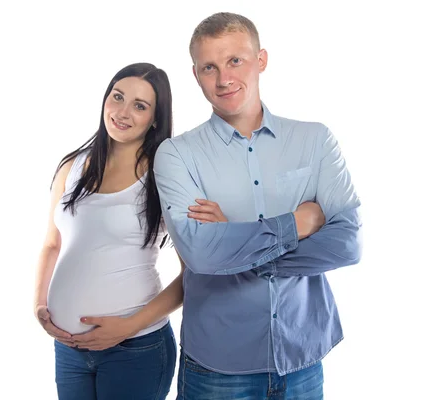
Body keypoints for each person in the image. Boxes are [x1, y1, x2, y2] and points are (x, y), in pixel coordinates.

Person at [153, 12, 363, 399]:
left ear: (261, 60)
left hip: (303, 359)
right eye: (209, 67)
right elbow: (199, 253)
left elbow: (347, 244)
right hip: (217, 368)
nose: (223, 79)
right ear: (196, 74)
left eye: (235, 60)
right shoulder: (176, 155)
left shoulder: (314, 141)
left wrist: (232, 242)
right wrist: (297, 224)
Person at [33, 62, 185, 400]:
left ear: (155, 118)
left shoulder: (167, 175)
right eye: (117, 97)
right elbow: (51, 244)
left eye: (140, 105)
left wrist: (126, 328)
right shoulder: (72, 165)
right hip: (69, 350)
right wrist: (40, 305)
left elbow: (194, 275)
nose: (122, 112)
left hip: (135, 348)